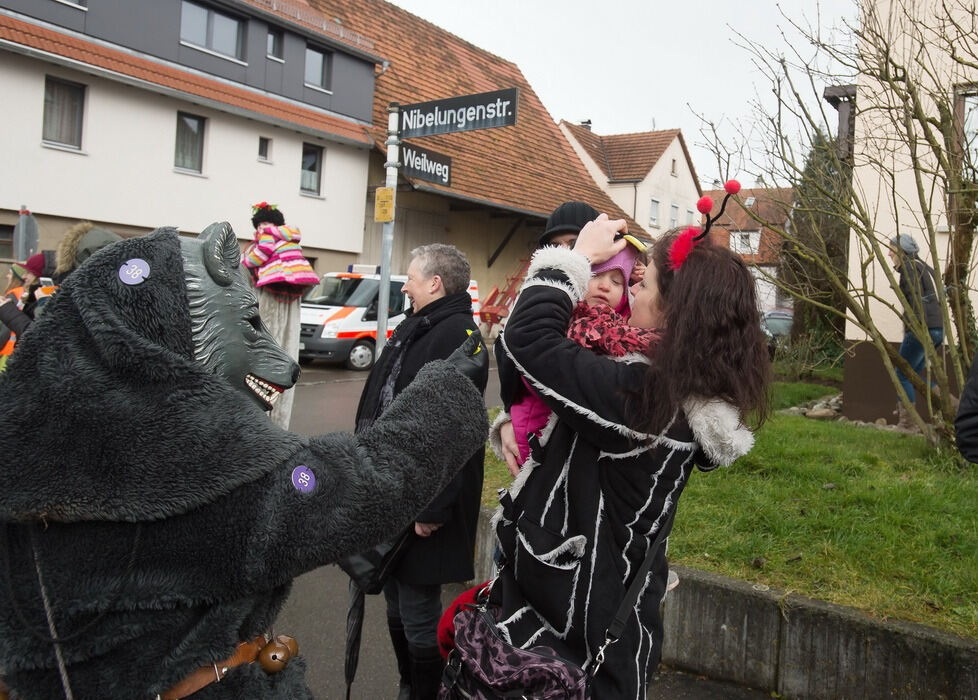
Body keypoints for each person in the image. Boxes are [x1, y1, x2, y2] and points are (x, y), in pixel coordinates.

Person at [0, 224, 489, 700]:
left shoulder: (32, 446)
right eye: (251, 325)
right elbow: (355, 490)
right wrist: (442, 402)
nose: (285, 364)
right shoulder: (201, 466)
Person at [488, 216, 770, 698]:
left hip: (571, 638)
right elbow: (569, 404)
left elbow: (528, 340)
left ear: (674, 311)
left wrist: (574, 259)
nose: (633, 288)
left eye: (646, 281)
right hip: (598, 621)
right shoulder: (676, 390)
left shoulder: (646, 403)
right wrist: (510, 424)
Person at [353, 243, 488, 700]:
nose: (404, 285)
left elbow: (453, 429)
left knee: (416, 608)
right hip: (397, 489)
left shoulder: (457, 335)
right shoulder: (421, 326)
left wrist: (431, 505)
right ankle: (409, 683)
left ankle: (424, 692)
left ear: (435, 283)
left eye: (411, 278)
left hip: (426, 499)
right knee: (394, 595)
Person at [494, 238, 655, 474]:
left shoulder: (622, 332)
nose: (605, 286)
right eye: (595, 275)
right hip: (533, 436)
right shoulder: (560, 319)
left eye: (617, 281)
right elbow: (524, 365)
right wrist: (507, 417)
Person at [242, 202, 319, 430]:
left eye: (268, 223)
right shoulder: (293, 250)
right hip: (278, 312)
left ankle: (264, 427)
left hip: (265, 310)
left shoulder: (259, 249)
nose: (264, 227)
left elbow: (246, 272)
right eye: (262, 223)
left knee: (264, 366)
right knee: (278, 364)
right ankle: (275, 426)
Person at [888, 233, 944, 427]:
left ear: (901, 251)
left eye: (891, 249)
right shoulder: (921, 267)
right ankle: (951, 407)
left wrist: (916, 329)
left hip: (923, 330)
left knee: (902, 373)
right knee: (915, 375)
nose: (888, 254)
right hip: (937, 329)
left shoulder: (909, 269)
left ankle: (907, 423)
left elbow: (916, 301)